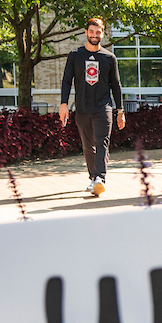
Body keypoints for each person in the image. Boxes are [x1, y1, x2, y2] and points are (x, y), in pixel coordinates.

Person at [60, 17, 124, 197]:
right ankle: (93, 178)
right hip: (81, 108)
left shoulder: (109, 58)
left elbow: (116, 85)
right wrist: (63, 104)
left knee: (102, 142)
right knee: (88, 146)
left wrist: (120, 110)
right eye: (92, 31)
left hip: (103, 107)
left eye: (98, 32)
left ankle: (100, 179)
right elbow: (66, 81)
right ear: (86, 32)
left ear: (103, 34)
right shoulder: (75, 55)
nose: (95, 35)